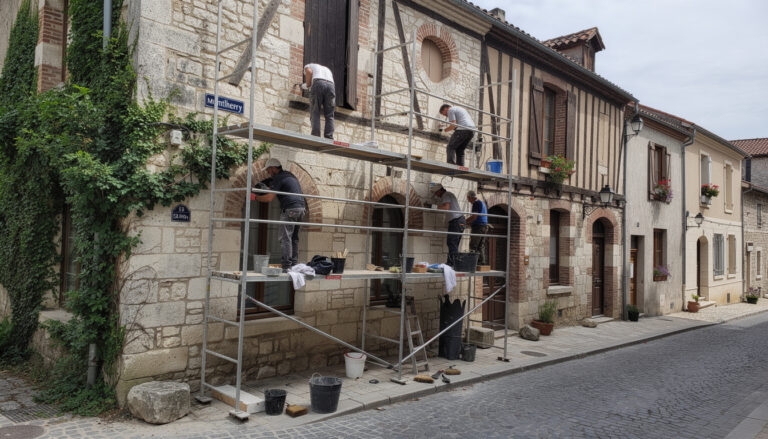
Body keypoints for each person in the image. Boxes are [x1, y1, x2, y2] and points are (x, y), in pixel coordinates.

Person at [252, 158, 306, 270]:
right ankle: (293, 264)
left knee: (285, 238)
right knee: (294, 238)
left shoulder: (278, 178)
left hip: (290, 209)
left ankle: (286, 266)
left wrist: (255, 197)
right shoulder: (289, 175)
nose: (268, 173)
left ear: (273, 168)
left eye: (268, 170)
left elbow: (269, 198)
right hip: (301, 209)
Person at [431, 184, 465, 266]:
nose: (436, 195)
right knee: (454, 243)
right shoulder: (450, 194)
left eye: (436, 193)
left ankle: (452, 263)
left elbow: (446, 207)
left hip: (456, 221)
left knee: (451, 242)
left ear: (440, 190)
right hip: (460, 221)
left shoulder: (446, 195)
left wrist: (433, 207)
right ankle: (453, 262)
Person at [303, 63, 335, 139]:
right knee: (329, 114)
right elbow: (326, 83)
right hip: (331, 86)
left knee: (315, 111)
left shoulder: (308, 66)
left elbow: (309, 73)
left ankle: (315, 135)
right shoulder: (326, 69)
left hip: (318, 83)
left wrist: (306, 85)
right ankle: (329, 136)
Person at [465, 191, 488, 266]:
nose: (468, 201)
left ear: (471, 197)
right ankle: (481, 262)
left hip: (478, 227)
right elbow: (478, 217)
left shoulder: (476, 203)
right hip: (483, 226)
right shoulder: (481, 203)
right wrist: (470, 223)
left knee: (473, 245)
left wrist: (465, 221)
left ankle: (472, 263)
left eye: (468, 198)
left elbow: (474, 217)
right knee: (481, 245)